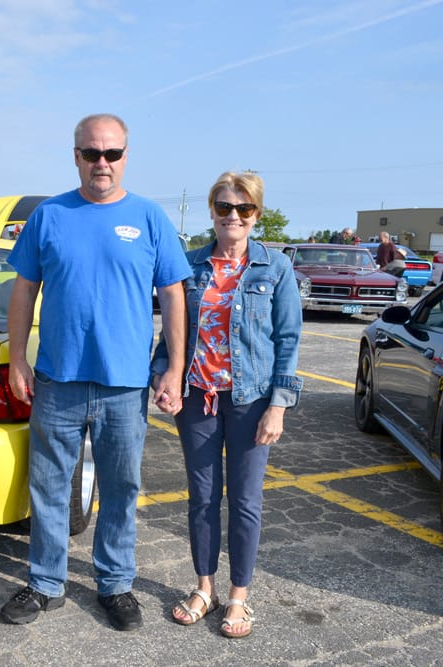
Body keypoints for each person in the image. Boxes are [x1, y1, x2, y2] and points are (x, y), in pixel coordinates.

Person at [0, 113, 191, 632]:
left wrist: (175, 367)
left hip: (124, 384)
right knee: (49, 486)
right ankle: (45, 583)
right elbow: (23, 291)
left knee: (121, 487)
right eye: (91, 153)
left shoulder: (150, 218)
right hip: (57, 379)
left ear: (126, 156)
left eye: (112, 153)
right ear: (76, 155)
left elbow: (173, 295)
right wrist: (17, 357)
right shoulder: (49, 216)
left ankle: (115, 584)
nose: (101, 163)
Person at [152, 171, 303, 639]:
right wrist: (162, 376)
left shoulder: (274, 268)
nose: (233, 217)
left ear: (256, 214)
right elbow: (171, 333)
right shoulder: (189, 265)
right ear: (212, 212)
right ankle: (205, 588)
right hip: (198, 398)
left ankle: (239, 596)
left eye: (244, 209)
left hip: (251, 401)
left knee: (245, 501)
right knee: (201, 497)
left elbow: (288, 339)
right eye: (224, 207)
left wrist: (278, 405)